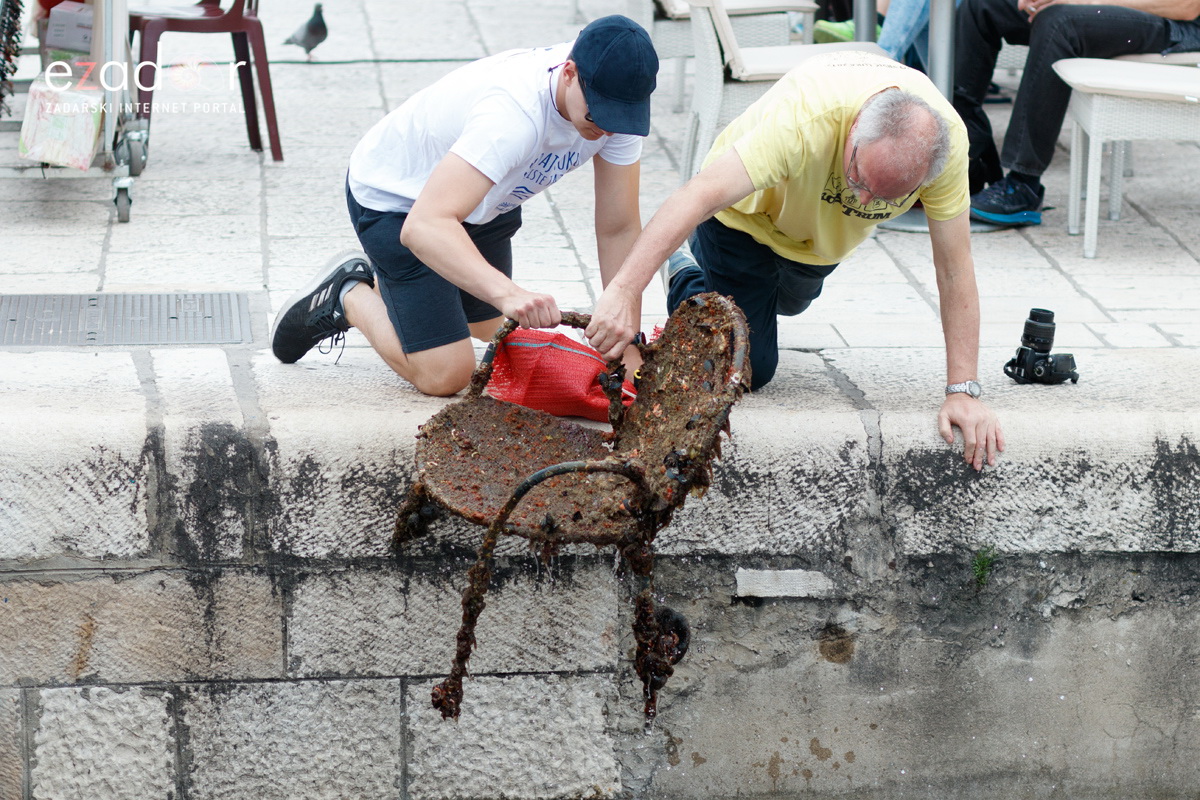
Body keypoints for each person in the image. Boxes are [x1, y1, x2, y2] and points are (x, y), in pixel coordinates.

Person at [585, 50, 1005, 471]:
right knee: (751, 365)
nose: (861, 200)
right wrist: (623, 290)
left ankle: (750, 294)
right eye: (858, 179)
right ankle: (681, 267)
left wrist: (963, 392)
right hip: (743, 220)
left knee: (790, 301)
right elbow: (698, 195)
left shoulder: (944, 148)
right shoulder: (805, 120)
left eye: (885, 198)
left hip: (816, 243)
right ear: (855, 128)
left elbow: (954, 267)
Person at [269, 15, 659, 396]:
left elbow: (619, 227)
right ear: (570, 72)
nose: (607, 130)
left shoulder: (616, 107)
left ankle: (408, 296)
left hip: (484, 204)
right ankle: (349, 293)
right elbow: (423, 226)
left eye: (620, 119)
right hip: (401, 202)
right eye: (597, 116)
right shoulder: (513, 115)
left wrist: (627, 347)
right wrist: (507, 292)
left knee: (493, 330)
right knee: (447, 373)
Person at [954, 0, 1200, 227]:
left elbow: (1187, 6)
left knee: (1059, 21)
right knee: (982, 4)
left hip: (1179, 25)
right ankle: (968, 157)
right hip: (1115, 9)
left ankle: (1023, 186)